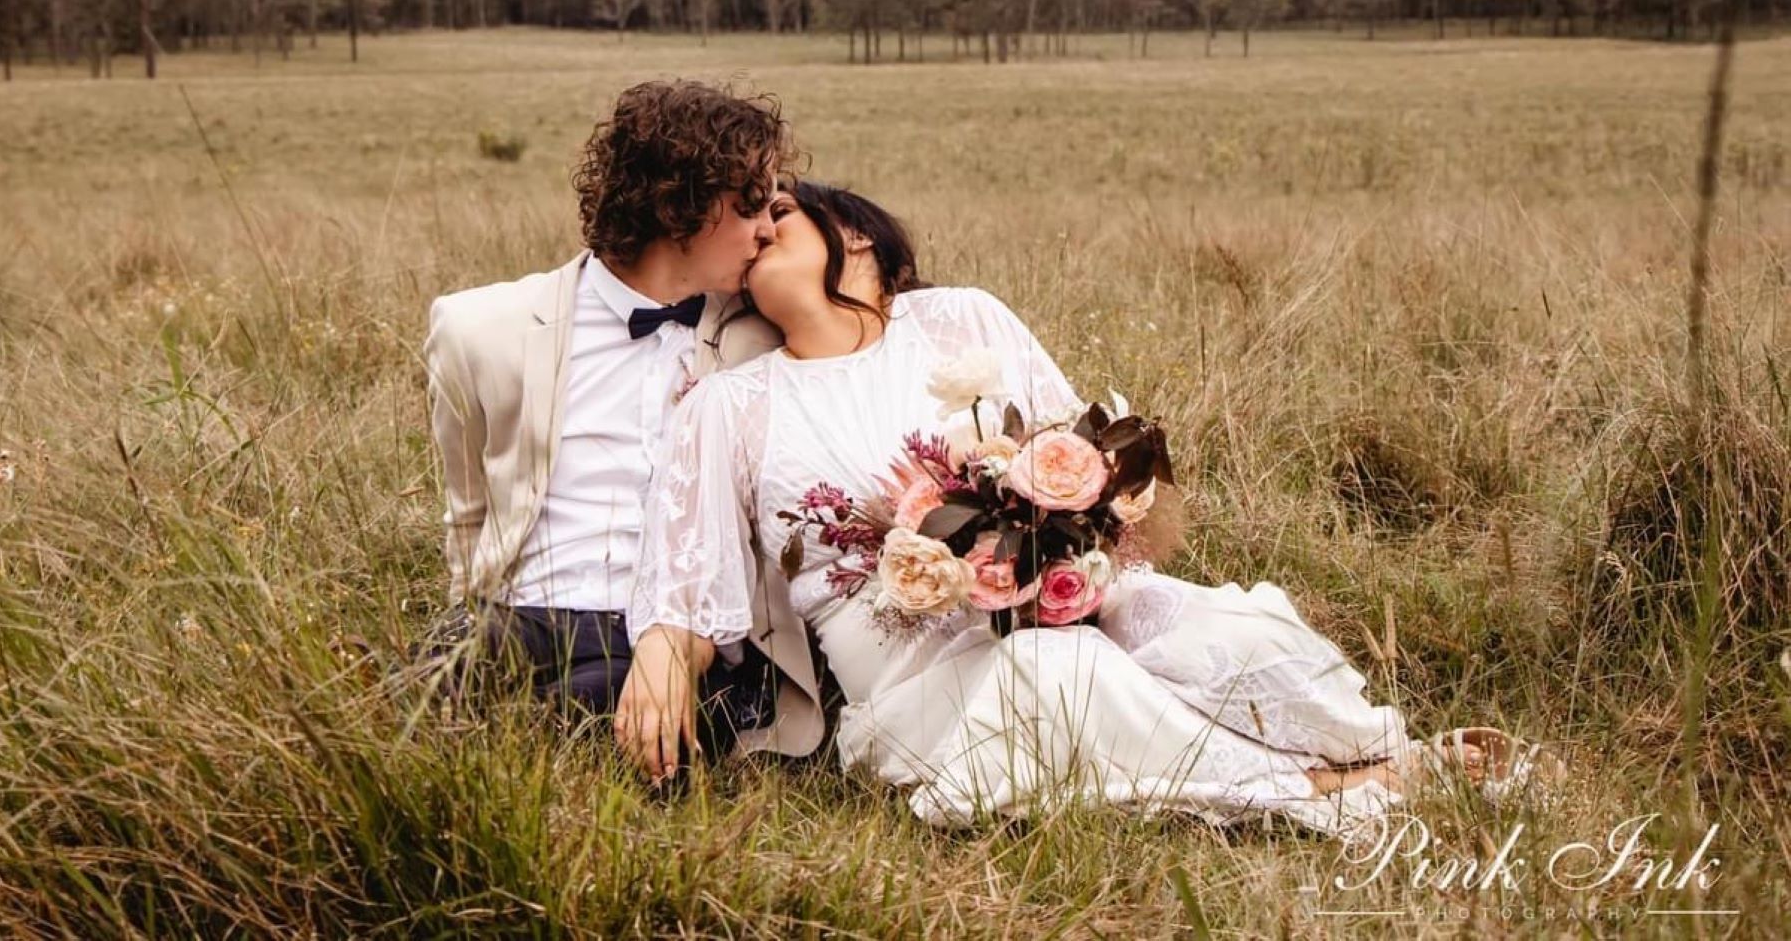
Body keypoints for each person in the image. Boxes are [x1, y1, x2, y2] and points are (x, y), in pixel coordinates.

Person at [617, 179, 1562, 833]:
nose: (757, 228)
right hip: (903, 661)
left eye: (780, 211)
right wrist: (661, 654)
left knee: (1223, 631)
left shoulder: (961, 319)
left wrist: (1061, 528)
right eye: (748, 222)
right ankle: (1330, 786)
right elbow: (689, 576)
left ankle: (1363, 747)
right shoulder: (728, 405)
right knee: (1053, 679)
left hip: (1066, 594)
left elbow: (1076, 453)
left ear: (855, 236)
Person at [412, 79, 821, 758]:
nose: (767, 230)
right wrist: (469, 612)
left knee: (595, 699)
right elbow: (469, 511)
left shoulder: (767, 338)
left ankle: (536, 746)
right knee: (440, 675)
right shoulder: (480, 329)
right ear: (678, 205)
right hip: (524, 612)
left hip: (673, 630)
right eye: (750, 205)